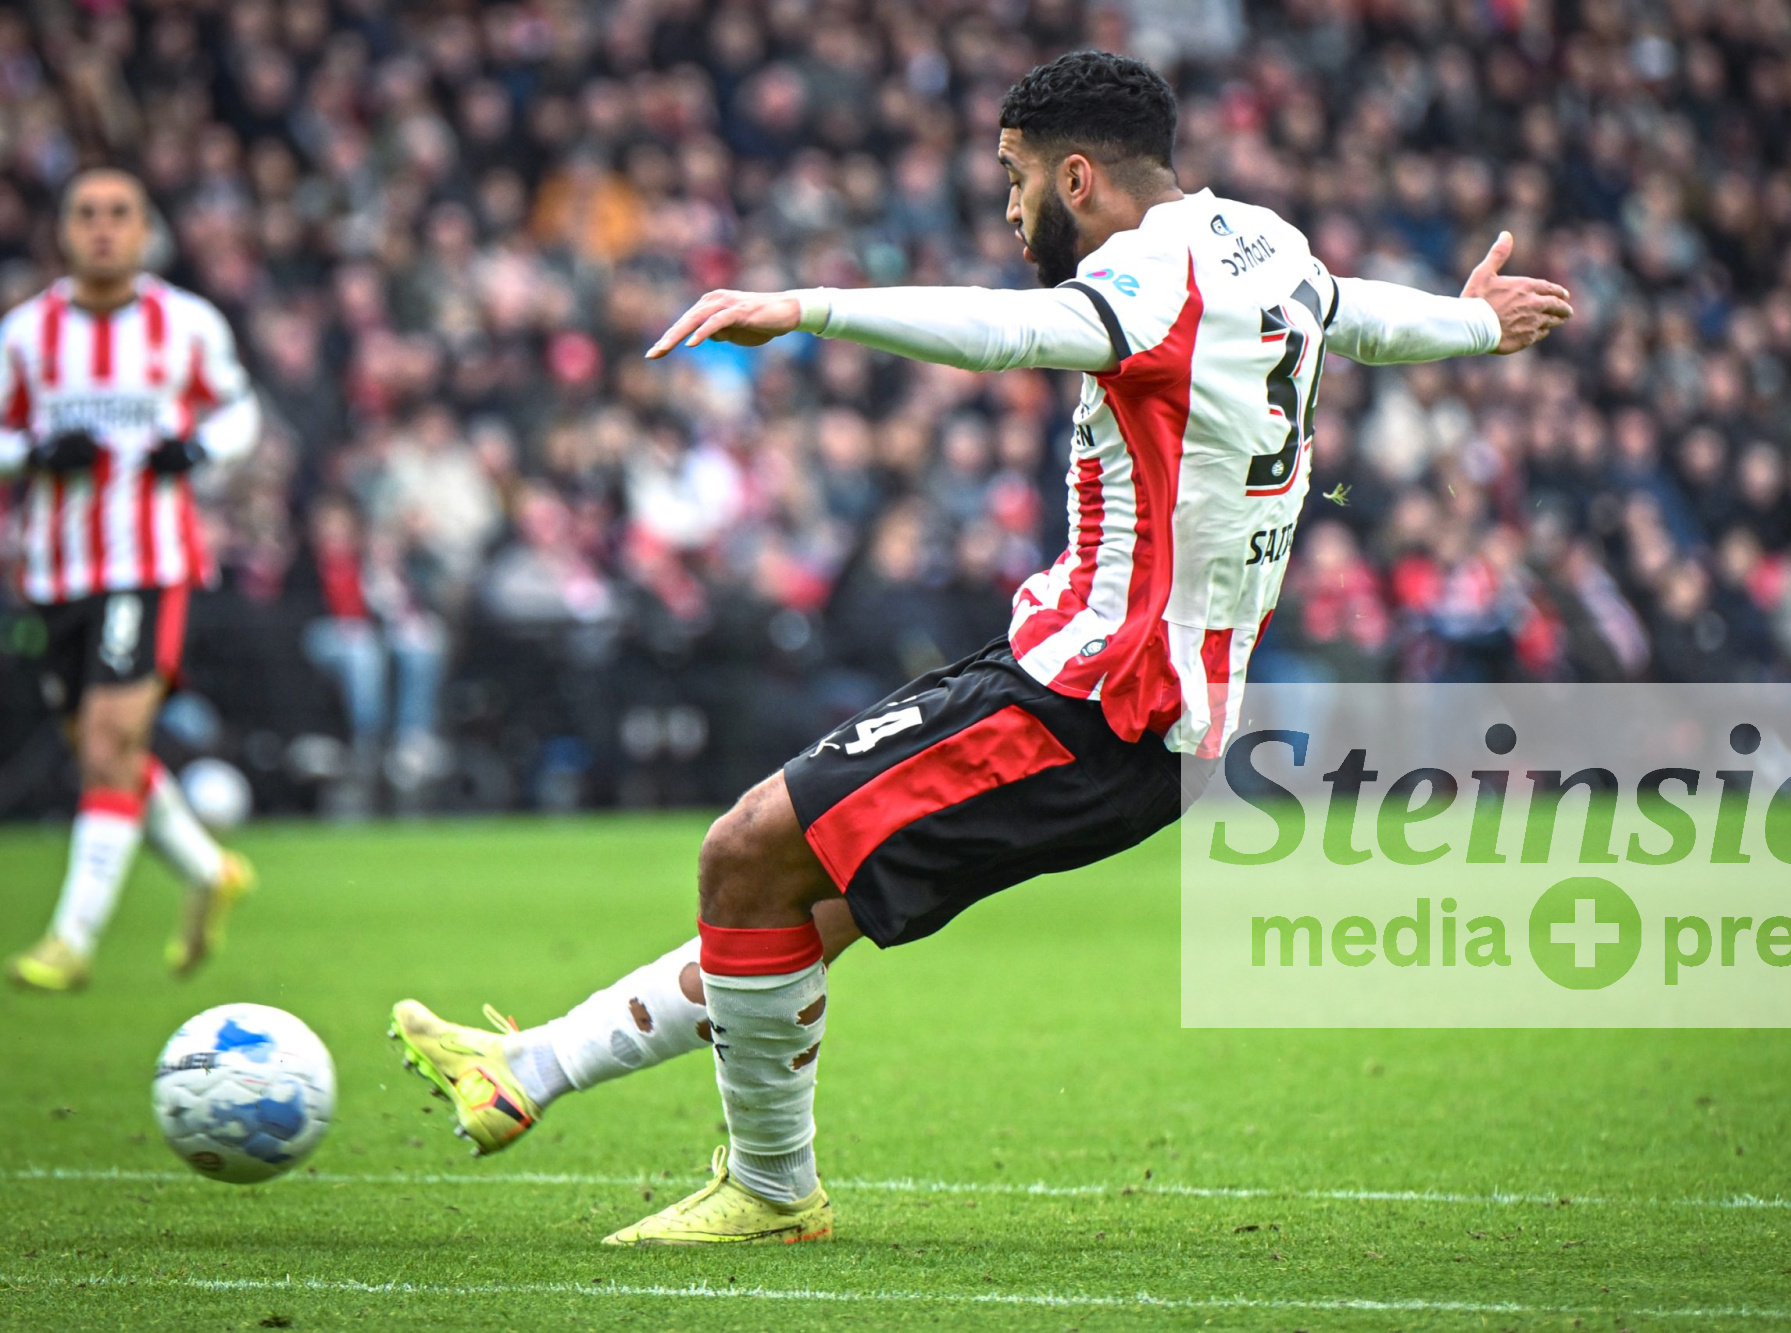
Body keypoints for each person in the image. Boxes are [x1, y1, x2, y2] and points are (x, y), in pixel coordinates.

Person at [390, 52, 1571, 1246]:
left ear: (1077, 177)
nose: (1009, 210)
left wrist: (807, 307)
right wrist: (1474, 323)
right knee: (784, 915)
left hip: (1090, 708)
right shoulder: (1264, 245)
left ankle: (771, 1188)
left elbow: (1007, 333)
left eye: (1016, 180)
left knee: (744, 851)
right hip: (1113, 703)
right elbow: (1356, 311)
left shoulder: (1144, 282)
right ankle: (531, 1069)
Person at [1, 168, 261, 992]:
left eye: (120, 214)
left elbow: (240, 409)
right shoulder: (25, 335)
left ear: (145, 230)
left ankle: (71, 940)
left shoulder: (185, 323)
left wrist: (201, 449)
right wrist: (32, 453)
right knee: (102, 750)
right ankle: (210, 869)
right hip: (52, 572)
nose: (103, 228)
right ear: (63, 230)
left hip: (146, 566)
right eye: (87, 214)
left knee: (109, 746)